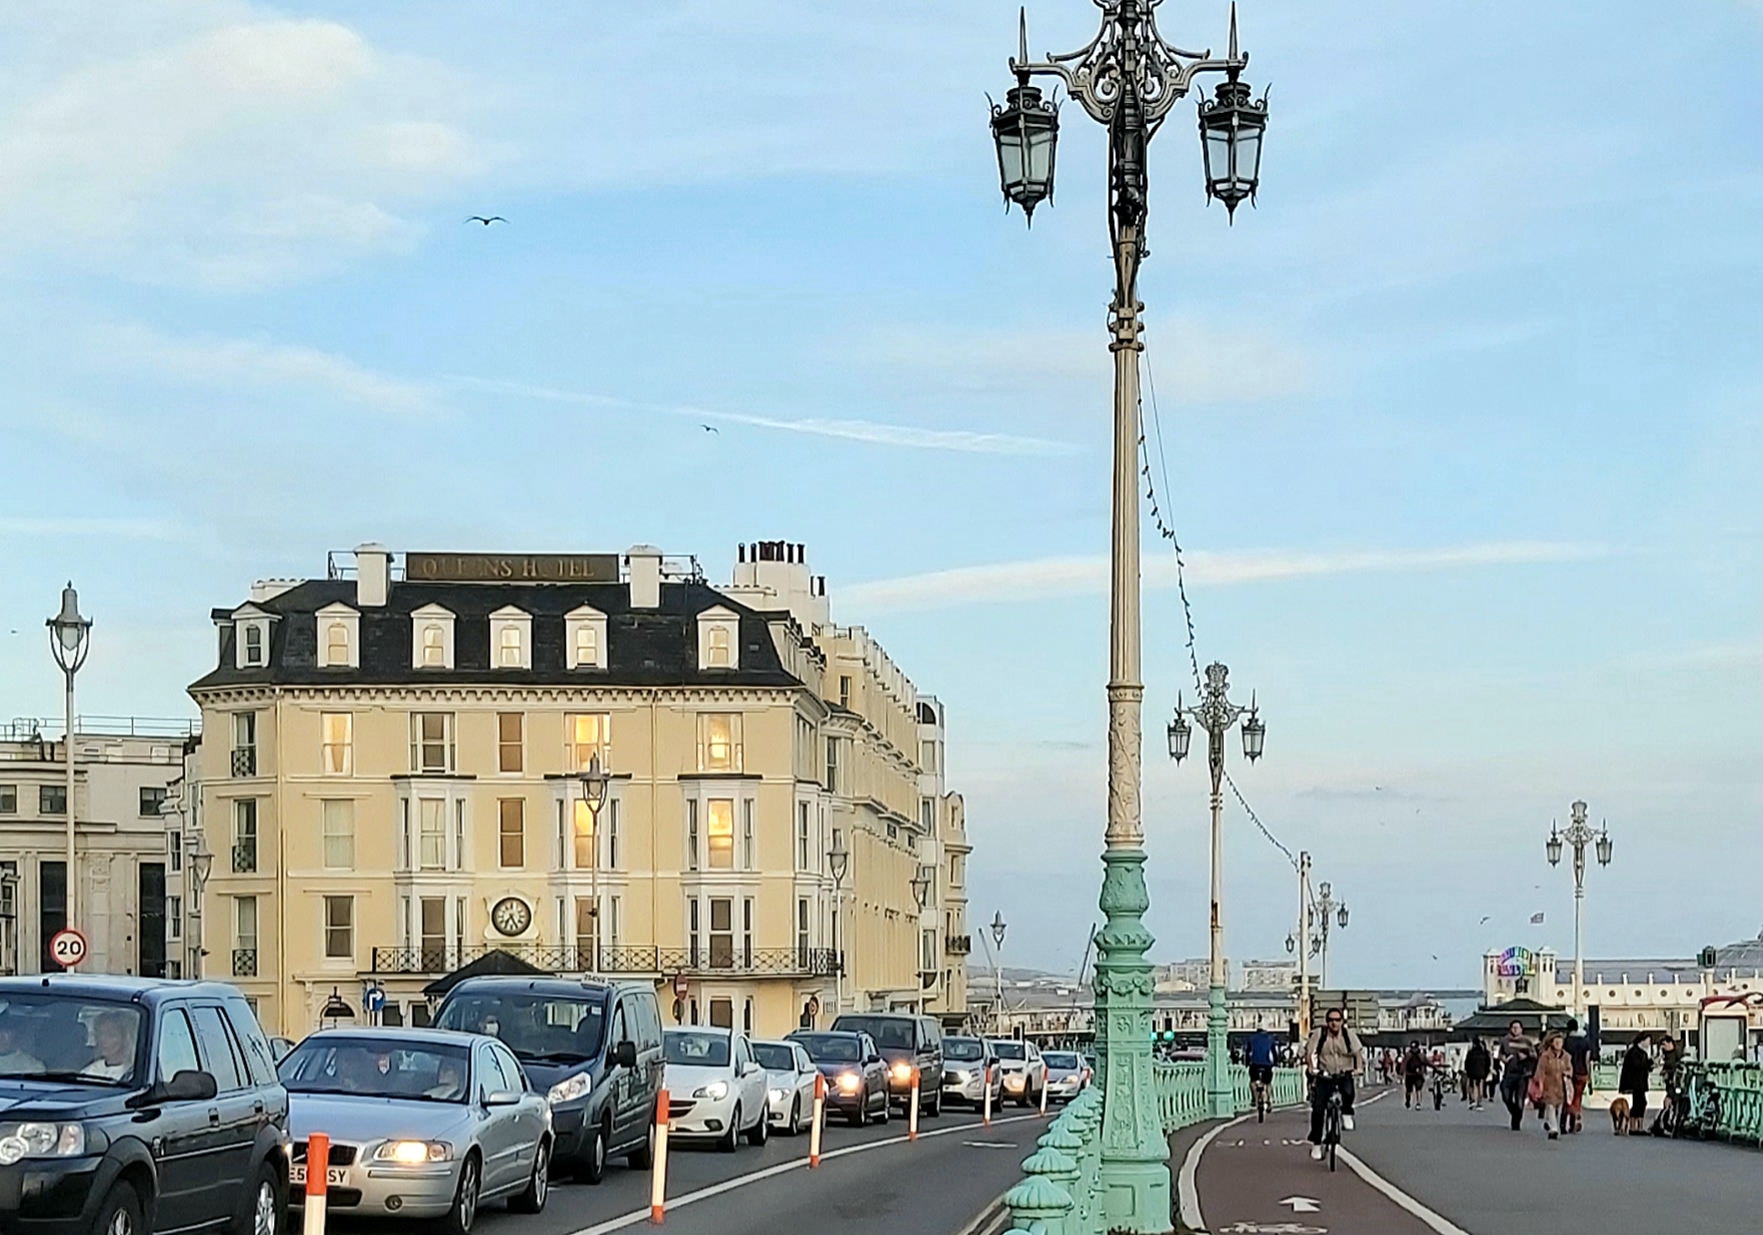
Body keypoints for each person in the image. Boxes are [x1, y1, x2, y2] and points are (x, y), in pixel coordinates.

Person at [1305, 1007, 1364, 1160]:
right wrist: (1312, 1068)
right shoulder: (1320, 1034)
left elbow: (1357, 1053)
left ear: (1342, 1021)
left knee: (1348, 1091)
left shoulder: (1347, 1034)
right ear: (1327, 1022)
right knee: (1318, 1110)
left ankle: (1346, 1113)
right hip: (1325, 1074)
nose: (1334, 1023)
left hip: (1344, 1072)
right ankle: (1316, 1144)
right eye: (1331, 1020)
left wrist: (1358, 1068)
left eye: (1337, 1020)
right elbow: (1309, 1052)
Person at [1498, 1019, 1537, 1131]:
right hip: (1509, 1073)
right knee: (1506, 1096)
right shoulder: (1505, 1040)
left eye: (1518, 1028)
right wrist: (1504, 1059)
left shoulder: (1526, 1041)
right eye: (1513, 1027)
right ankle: (1514, 1112)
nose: (1515, 1030)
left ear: (1521, 1029)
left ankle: (1516, 1121)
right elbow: (1500, 1054)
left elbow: (1534, 1055)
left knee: (1519, 1099)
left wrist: (1526, 1056)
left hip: (1522, 1074)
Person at [80, 1012, 137, 1081]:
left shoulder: (134, 1073)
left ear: (125, 1038)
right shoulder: (89, 1071)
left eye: (111, 1035)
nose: (103, 1039)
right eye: (101, 1034)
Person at [1535, 1032, 1570, 1139]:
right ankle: (1553, 1129)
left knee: (1558, 1106)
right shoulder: (1545, 1056)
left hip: (1561, 1085)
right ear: (1551, 1043)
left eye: (1560, 1042)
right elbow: (1540, 1071)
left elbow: (1569, 1069)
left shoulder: (1566, 1056)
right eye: (1556, 1042)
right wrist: (1540, 1083)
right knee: (1550, 1105)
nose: (1559, 1044)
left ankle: (1548, 1121)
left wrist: (1567, 1074)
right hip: (1548, 1084)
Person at [1562, 1018, 1591, 1133]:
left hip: (1568, 1073)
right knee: (1578, 1097)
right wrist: (1588, 1073)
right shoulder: (1585, 1042)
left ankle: (1571, 1117)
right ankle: (1577, 1115)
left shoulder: (1566, 1042)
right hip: (1582, 1072)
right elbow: (1587, 1059)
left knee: (1568, 1097)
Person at [1620, 1034, 1654, 1128]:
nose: (1649, 1043)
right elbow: (1637, 1065)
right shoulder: (1634, 1052)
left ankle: (1639, 1125)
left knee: (1641, 1103)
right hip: (1635, 1082)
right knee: (1638, 1103)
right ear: (1642, 1040)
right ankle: (1633, 1125)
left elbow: (1645, 1066)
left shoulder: (1643, 1053)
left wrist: (1651, 1063)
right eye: (1648, 1041)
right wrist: (1647, 1064)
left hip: (1641, 1081)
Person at [1246, 1023, 1278, 1107]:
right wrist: (1275, 1063)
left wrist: (1247, 1062)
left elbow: (1248, 1052)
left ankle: (1254, 1099)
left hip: (1255, 1064)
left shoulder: (1251, 1038)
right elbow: (1274, 1053)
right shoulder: (1270, 1038)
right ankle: (1268, 1100)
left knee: (1253, 1081)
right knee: (1268, 1083)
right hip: (1267, 1064)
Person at [1464, 1037, 1491, 1110]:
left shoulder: (1471, 1052)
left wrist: (1467, 1070)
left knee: (1473, 1086)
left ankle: (1473, 1100)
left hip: (1472, 1072)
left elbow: (1467, 1062)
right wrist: (1487, 1071)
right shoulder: (1484, 1053)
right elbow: (1488, 1063)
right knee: (1481, 1086)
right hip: (1482, 1072)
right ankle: (1479, 1102)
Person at [1402, 1041, 1427, 1109]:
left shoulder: (1419, 1055)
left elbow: (1426, 1062)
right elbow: (1404, 1064)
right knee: (1409, 1090)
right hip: (1410, 1074)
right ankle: (1408, 1101)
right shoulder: (1409, 1055)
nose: (1414, 1049)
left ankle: (1418, 1103)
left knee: (1418, 1089)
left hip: (1416, 1075)